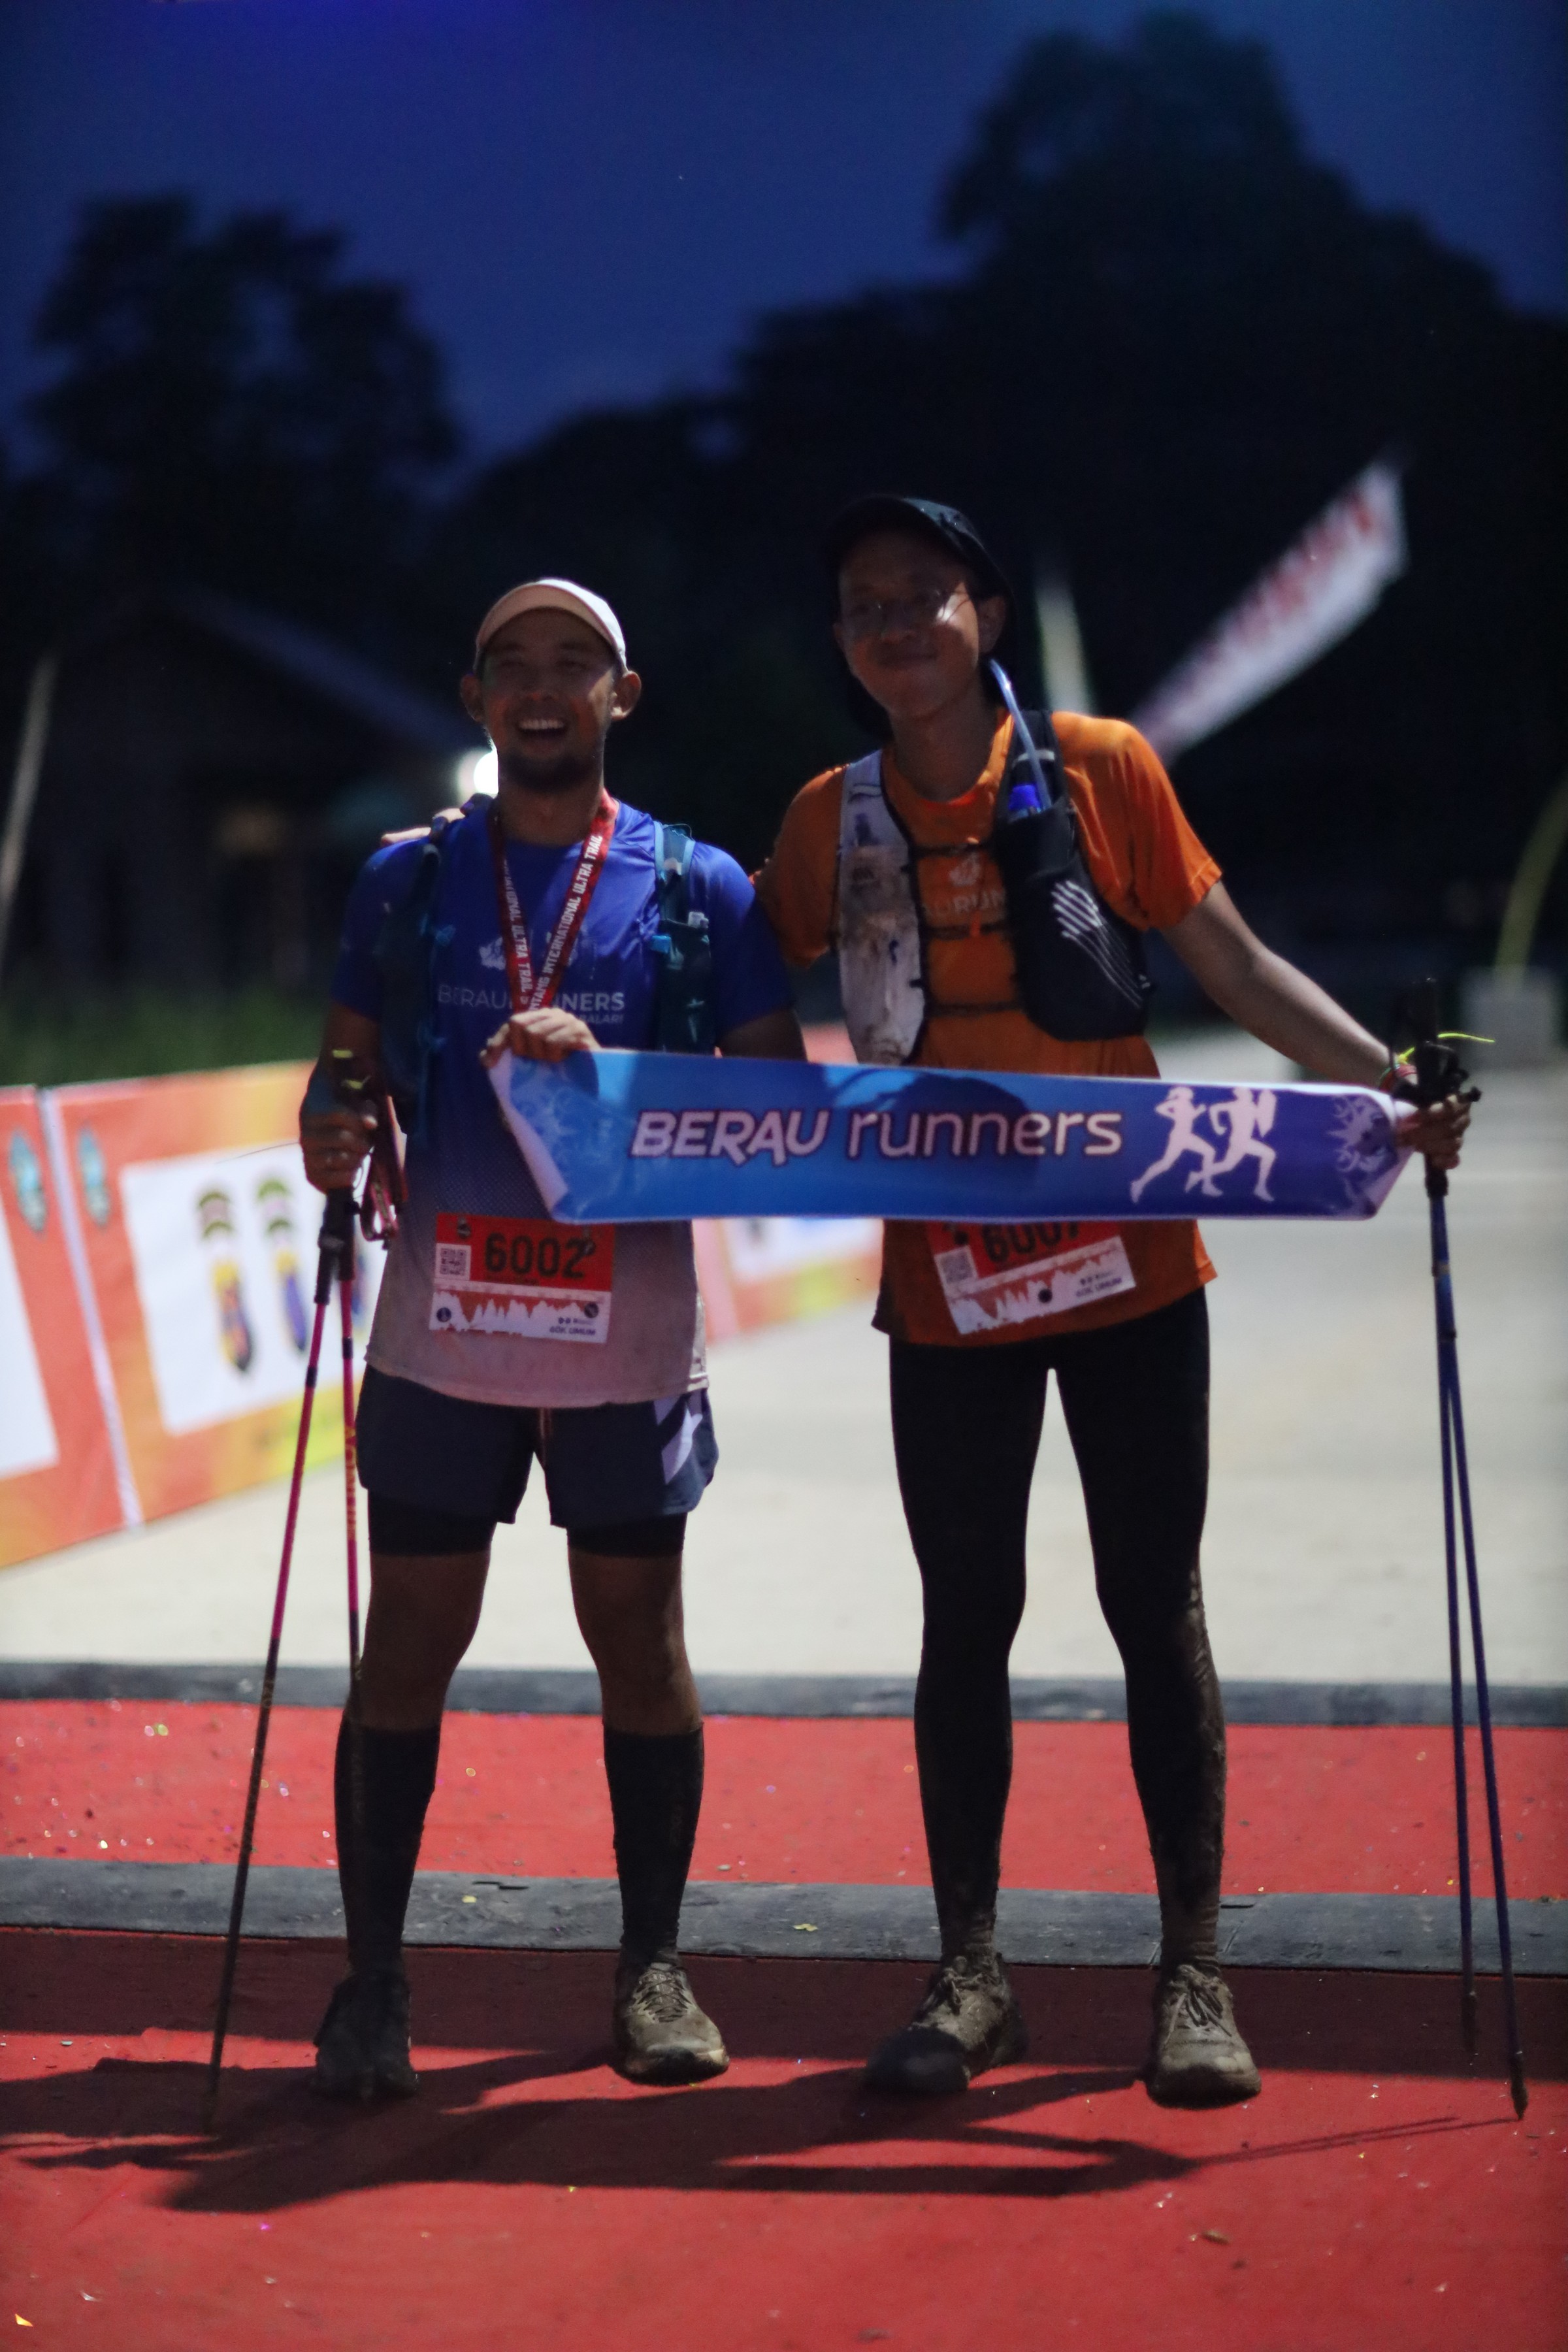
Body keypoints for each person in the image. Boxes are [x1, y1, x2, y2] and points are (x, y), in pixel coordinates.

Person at [753, 495, 1469, 2107]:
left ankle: (1194, 1976)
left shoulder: (1101, 769)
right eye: (863, 603)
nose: (893, 624)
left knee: (1157, 1606)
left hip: (1131, 1267)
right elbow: (731, 967)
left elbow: (1232, 963)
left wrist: (1390, 1083)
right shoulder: (828, 820)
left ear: (988, 617)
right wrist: (627, 1064)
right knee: (965, 1619)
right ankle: (973, 1977)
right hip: (950, 1285)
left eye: (924, 594)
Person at [300, 577, 803, 2099]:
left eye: (572, 664)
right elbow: (341, 1074)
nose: (540, 687)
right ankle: (373, 1984)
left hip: (622, 1330)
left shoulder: (702, 888)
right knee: (407, 1643)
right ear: (475, 699)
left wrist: (621, 1072)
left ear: (620, 696)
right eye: (511, 665)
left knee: (639, 1647)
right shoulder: (403, 881)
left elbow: (778, 1110)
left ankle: (652, 1968)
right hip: (446, 1324)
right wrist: (331, 1125)